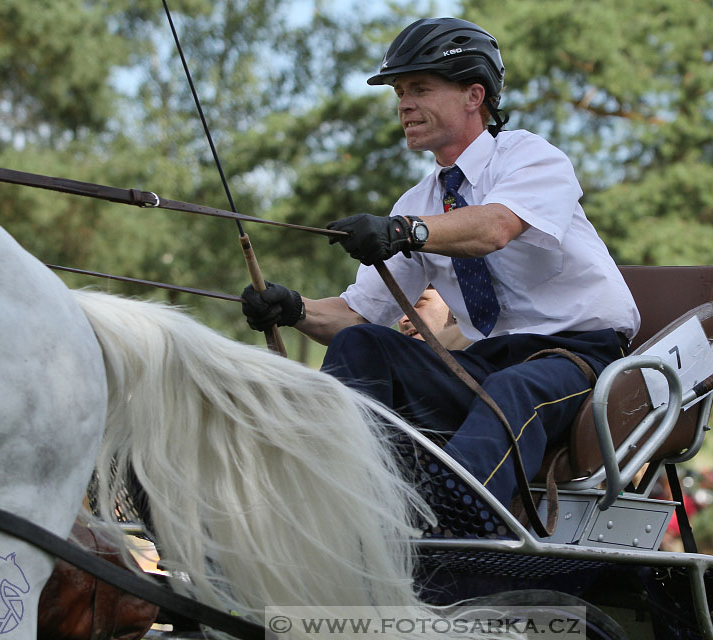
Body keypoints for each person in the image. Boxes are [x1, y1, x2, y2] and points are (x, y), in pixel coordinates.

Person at [241, 17, 640, 507]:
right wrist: (294, 309)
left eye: (421, 88)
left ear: (474, 96)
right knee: (366, 344)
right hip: (486, 364)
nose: (405, 103)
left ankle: (452, 528)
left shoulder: (528, 156)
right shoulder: (418, 199)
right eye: (400, 92)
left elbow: (493, 228)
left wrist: (405, 232)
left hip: (579, 358)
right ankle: (326, 502)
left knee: (516, 388)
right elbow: (359, 314)